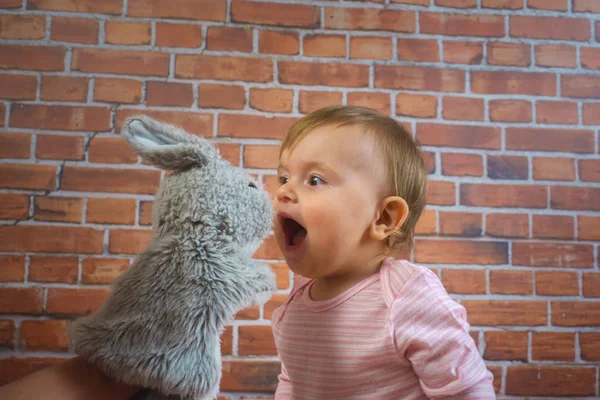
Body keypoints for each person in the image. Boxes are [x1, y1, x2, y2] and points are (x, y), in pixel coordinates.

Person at [271, 105, 495, 399]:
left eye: (315, 180)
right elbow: (293, 382)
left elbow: (467, 390)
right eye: (284, 178)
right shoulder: (297, 302)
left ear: (383, 218)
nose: (283, 192)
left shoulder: (406, 296)